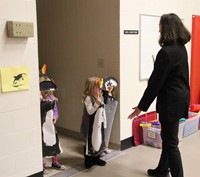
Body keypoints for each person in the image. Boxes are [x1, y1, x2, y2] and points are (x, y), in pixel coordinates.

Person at [128, 13, 191, 177]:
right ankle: (162, 170)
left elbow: (155, 84)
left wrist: (141, 106)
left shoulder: (166, 52)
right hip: (181, 98)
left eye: (160, 25)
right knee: (169, 137)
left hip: (171, 102)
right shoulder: (180, 48)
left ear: (167, 28)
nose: (159, 29)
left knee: (170, 143)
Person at [80, 76, 107, 169]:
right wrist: (97, 103)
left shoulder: (99, 96)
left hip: (98, 123)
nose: (99, 89)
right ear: (91, 88)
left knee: (98, 139)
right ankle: (88, 160)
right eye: (97, 87)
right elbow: (90, 111)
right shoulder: (88, 98)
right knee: (89, 142)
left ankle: (96, 158)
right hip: (89, 125)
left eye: (99, 87)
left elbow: (102, 109)